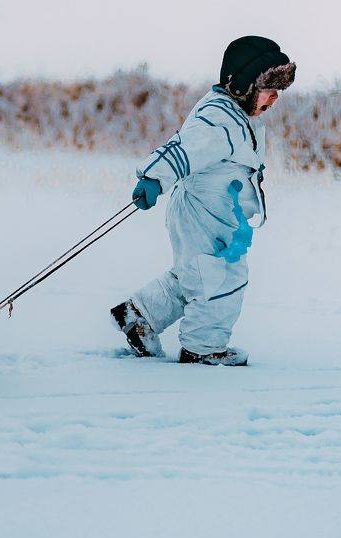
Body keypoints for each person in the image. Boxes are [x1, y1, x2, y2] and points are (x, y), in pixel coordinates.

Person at [109, 36, 295, 365]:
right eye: (269, 88)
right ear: (242, 85)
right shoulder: (219, 120)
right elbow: (184, 148)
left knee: (196, 275)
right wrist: (154, 178)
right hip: (201, 215)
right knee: (221, 280)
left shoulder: (238, 118)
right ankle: (204, 349)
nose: (275, 98)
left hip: (219, 216)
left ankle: (140, 316)